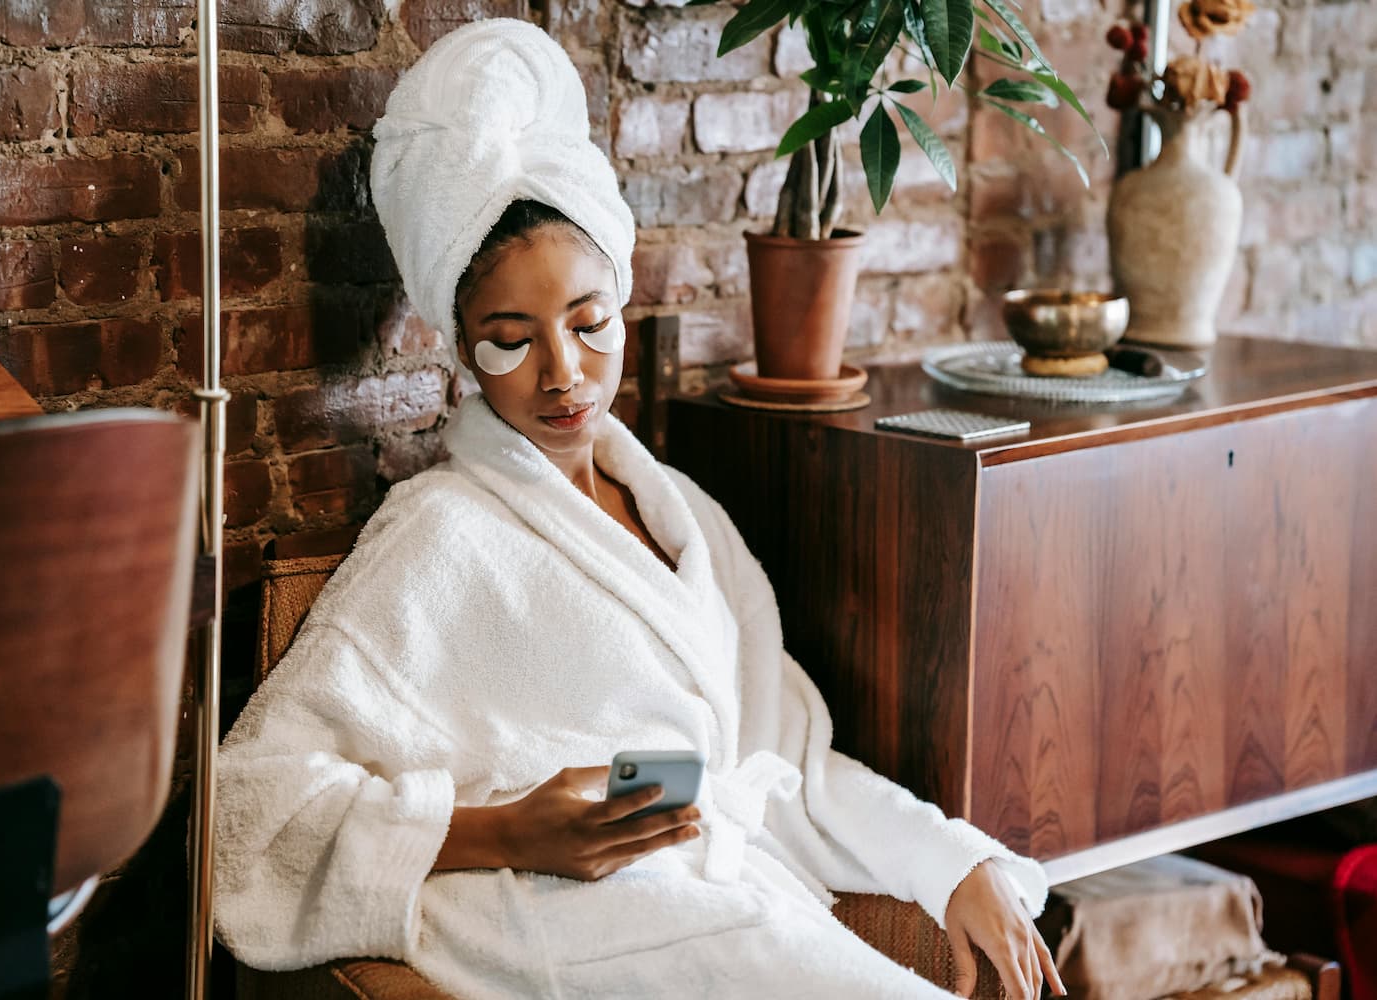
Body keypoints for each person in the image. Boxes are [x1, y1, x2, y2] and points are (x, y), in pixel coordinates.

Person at [214, 18, 1065, 999]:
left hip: (718, 899)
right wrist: (501, 829)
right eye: (509, 338)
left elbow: (783, 767)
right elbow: (251, 807)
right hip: (561, 908)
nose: (565, 372)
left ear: (622, 298)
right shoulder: (439, 532)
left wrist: (951, 863)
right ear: (460, 347)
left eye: (588, 322)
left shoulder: (681, 519)